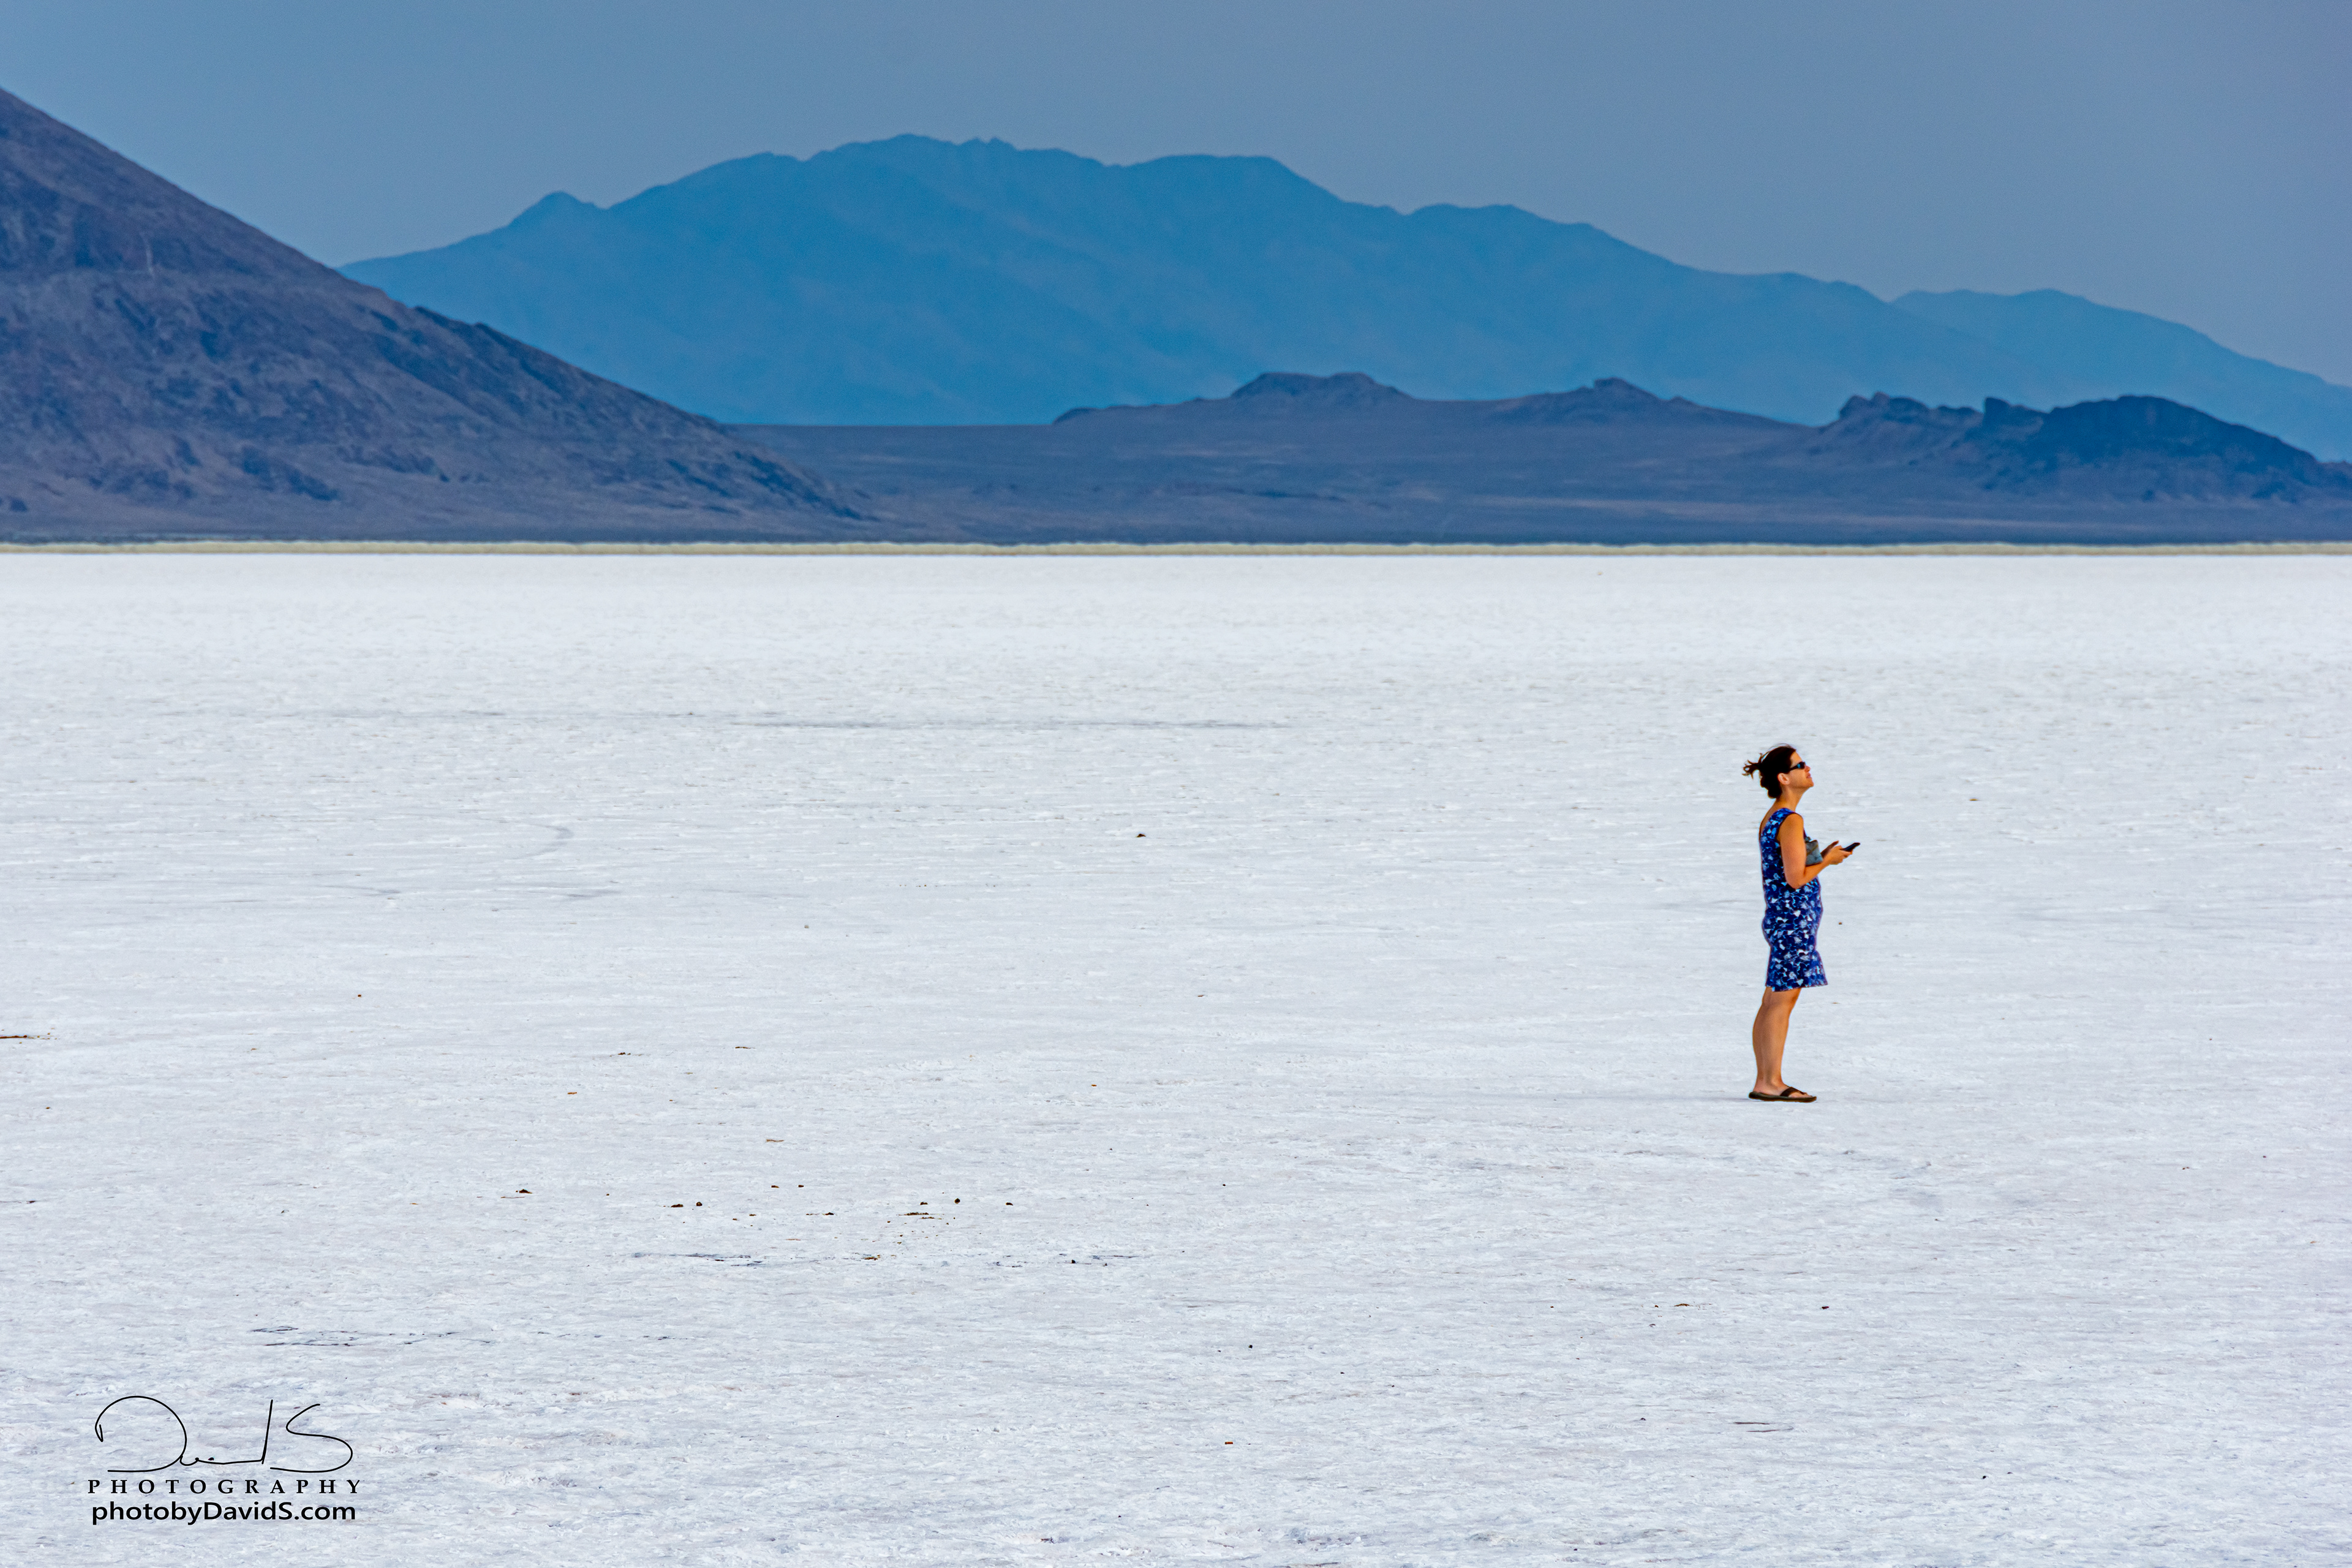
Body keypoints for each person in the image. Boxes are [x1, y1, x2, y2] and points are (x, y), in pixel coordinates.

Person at [1740, 744, 1850, 1102]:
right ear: (1784, 778)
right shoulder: (1790, 819)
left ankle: (1766, 1080)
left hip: (1783, 919)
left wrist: (1819, 857)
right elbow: (1795, 878)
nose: (1808, 768)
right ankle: (1770, 1082)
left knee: (1773, 999)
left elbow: (1791, 869)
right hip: (1792, 922)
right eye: (1800, 765)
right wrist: (1828, 862)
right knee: (1781, 1002)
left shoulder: (1777, 817)